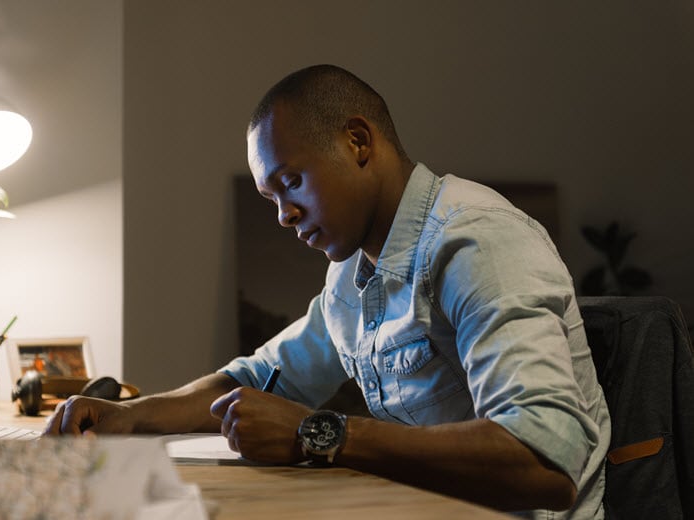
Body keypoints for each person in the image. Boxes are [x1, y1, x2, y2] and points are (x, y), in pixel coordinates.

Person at [45, 64, 610, 518]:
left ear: (358, 141)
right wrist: (128, 417)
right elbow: (254, 380)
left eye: (291, 182)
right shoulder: (351, 274)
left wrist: (320, 433)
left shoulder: (477, 244)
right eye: (270, 198)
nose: (286, 215)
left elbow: (545, 464)